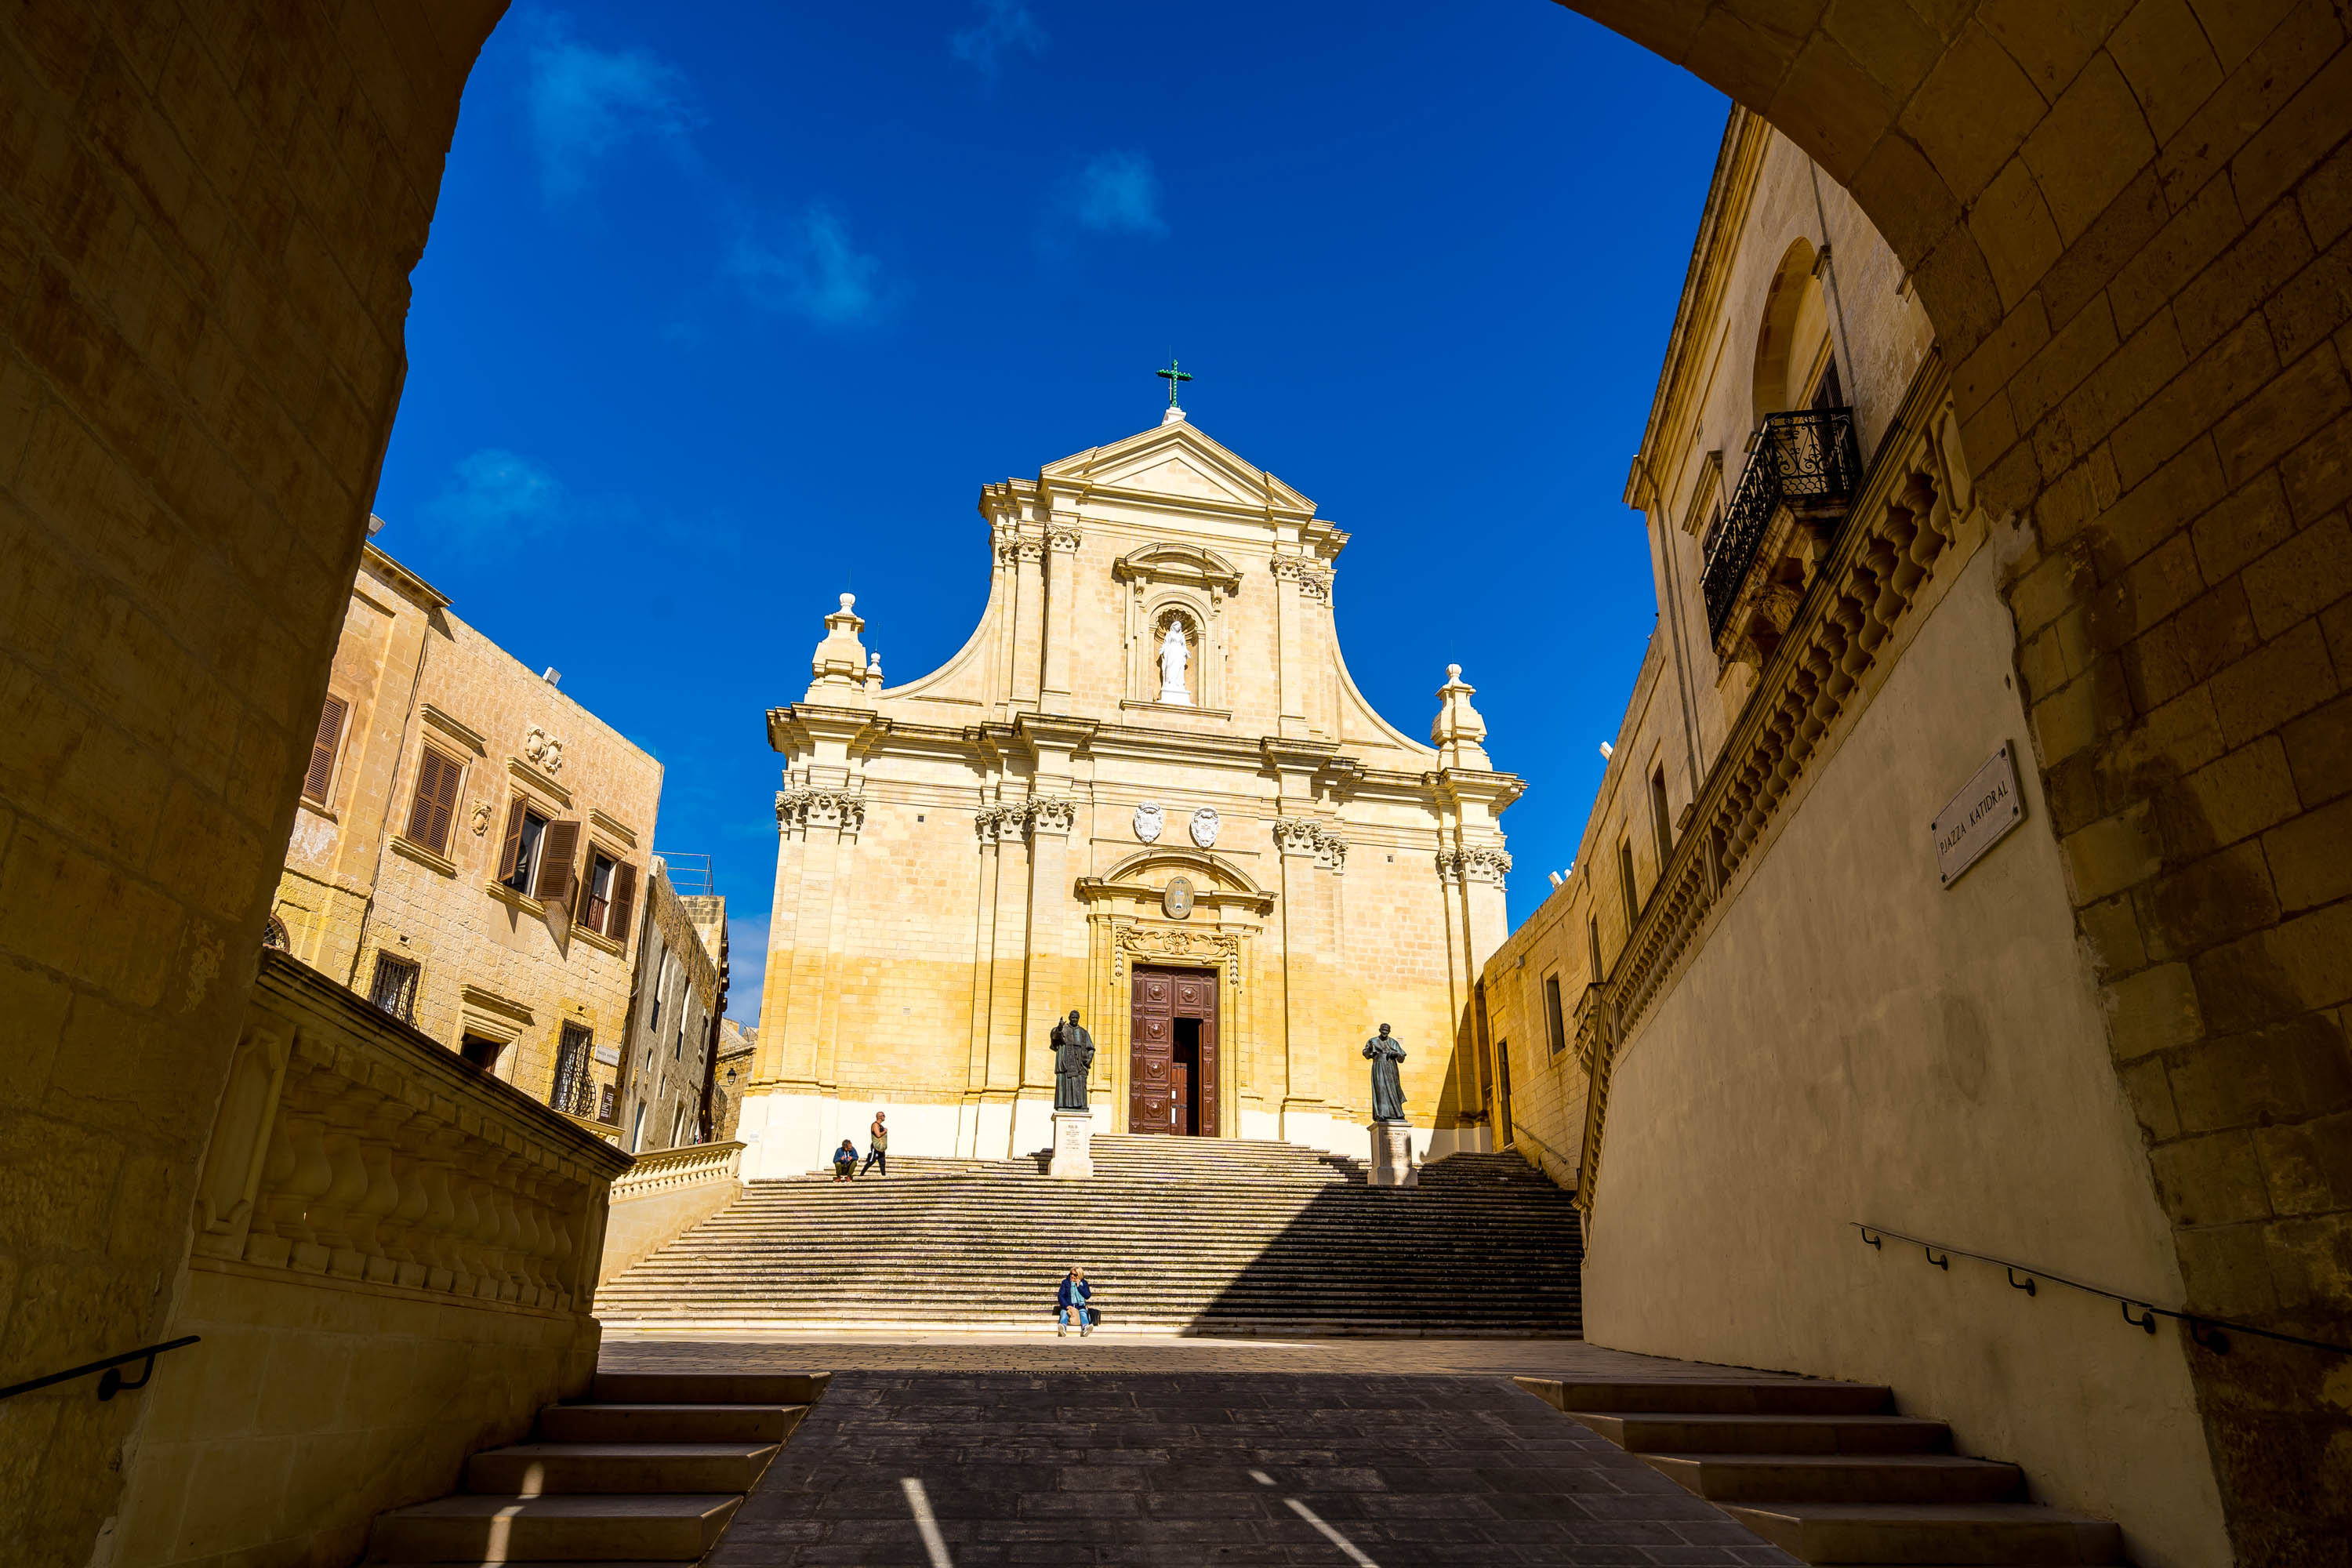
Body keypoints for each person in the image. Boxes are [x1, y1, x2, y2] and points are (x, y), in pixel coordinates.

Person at [1055, 1265, 1094, 1338]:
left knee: (1083, 1314)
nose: (1072, 1276)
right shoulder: (1065, 1282)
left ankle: (1085, 1328)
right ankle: (1063, 1328)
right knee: (1064, 1314)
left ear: (1079, 1276)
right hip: (1069, 1305)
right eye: (1071, 1274)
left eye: (1075, 1275)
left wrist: (1079, 1286)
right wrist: (1066, 1306)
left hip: (1080, 1306)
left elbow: (1087, 1295)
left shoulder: (1084, 1283)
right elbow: (1061, 1296)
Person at [861, 1111, 888, 1177]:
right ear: (880, 1117)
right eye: (883, 1115)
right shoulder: (875, 1124)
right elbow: (878, 1135)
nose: (885, 1117)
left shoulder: (880, 1125)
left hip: (881, 1147)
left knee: (882, 1162)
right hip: (875, 1147)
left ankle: (883, 1176)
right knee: (871, 1161)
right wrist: (885, 1131)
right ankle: (861, 1174)